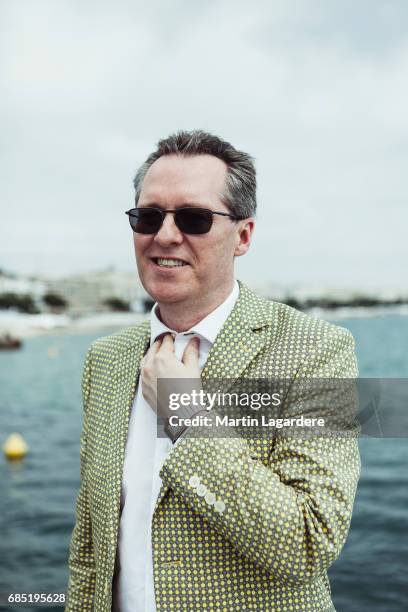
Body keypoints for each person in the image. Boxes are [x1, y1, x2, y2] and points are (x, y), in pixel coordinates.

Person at [65, 130, 360, 612]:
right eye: (148, 215)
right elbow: (90, 545)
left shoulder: (316, 350)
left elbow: (310, 540)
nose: (164, 235)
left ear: (243, 236)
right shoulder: (106, 359)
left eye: (194, 218)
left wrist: (187, 414)